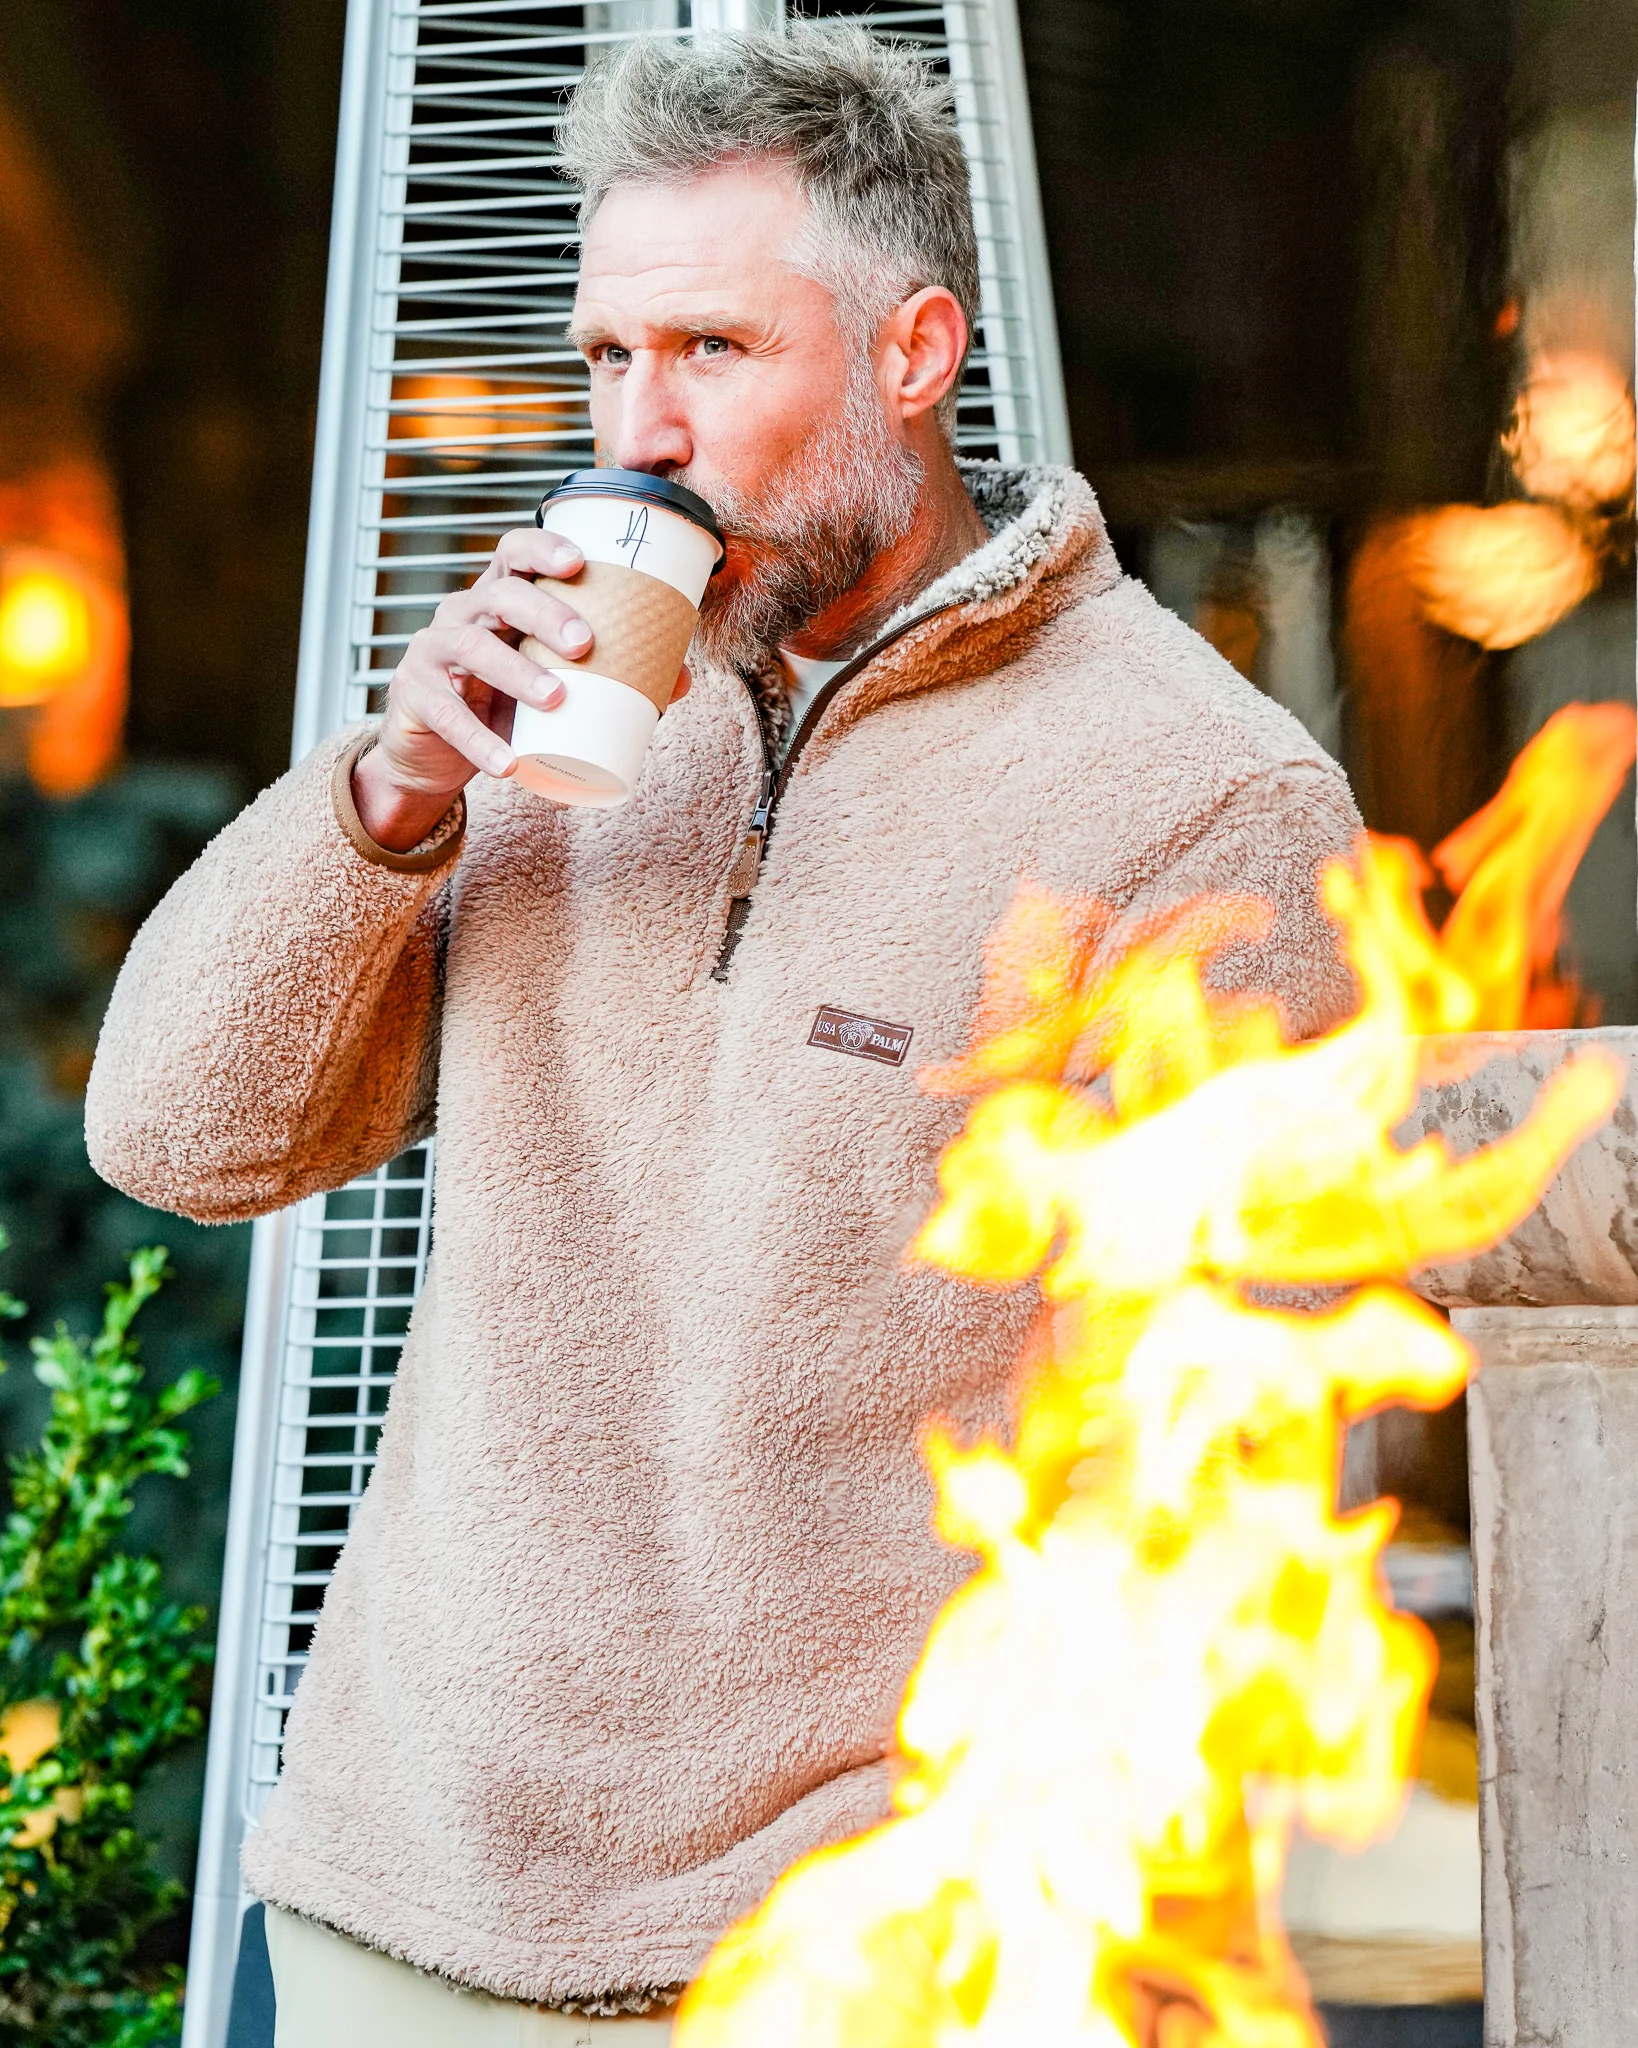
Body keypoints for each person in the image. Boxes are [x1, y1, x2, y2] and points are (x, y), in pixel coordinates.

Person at [86, 26, 1363, 2045]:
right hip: (394, 1896)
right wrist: (391, 794)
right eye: (607, 357)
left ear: (914, 351)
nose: (638, 430)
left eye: (711, 350)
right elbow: (179, 1136)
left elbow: (1240, 1464)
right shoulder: (538, 730)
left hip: (847, 1959)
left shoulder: (1198, 803)